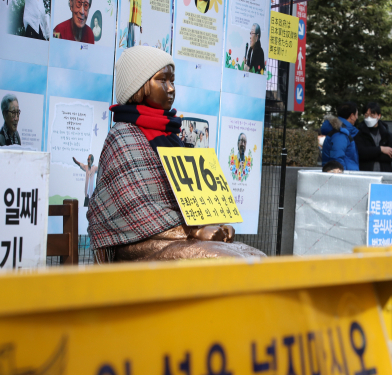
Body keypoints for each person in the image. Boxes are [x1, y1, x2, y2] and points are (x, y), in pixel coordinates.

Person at [87, 46, 264, 263]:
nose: (171, 88)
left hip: (178, 237)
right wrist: (191, 232)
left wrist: (216, 224)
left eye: (173, 81)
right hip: (139, 244)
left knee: (255, 257)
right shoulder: (123, 137)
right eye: (163, 80)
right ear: (139, 86)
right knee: (227, 261)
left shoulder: (172, 135)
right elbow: (133, 208)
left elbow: (193, 197)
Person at [355, 102, 392, 172]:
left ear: (379, 116)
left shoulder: (386, 133)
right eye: (366, 115)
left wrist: (371, 154)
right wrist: (380, 149)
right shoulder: (360, 133)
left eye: (372, 115)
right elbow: (361, 153)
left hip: (385, 174)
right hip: (366, 174)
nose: (369, 118)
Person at [320, 101, 360, 171]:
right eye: (357, 114)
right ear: (352, 116)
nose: (357, 117)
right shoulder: (340, 133)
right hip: (345, 176)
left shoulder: (341, 130)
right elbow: (337, 159)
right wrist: (342, 176)